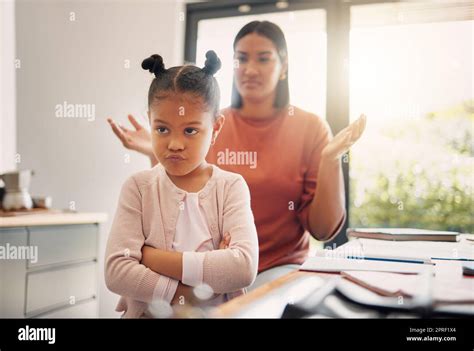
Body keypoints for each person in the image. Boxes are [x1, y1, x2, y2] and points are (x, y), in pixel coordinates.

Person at [108, 21, 366, 290]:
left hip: (277, 269)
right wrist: (156, 150)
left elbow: (323, 230)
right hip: (205, 268)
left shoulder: (310, 128)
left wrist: (330, 161)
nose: (250, 69)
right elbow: (173, 203)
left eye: (263, 59)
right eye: (241, 59)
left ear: (284, 66)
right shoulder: (203, 126)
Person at [105, 51, 259, 318]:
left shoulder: (231, 187)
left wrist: (152, 258)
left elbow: (243, 268)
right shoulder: (138, 187)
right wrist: (187, 293)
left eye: (190, 130)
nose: (175, 144)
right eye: (162, 129)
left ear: (216, 127)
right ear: (150, 121)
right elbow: (117, 272)